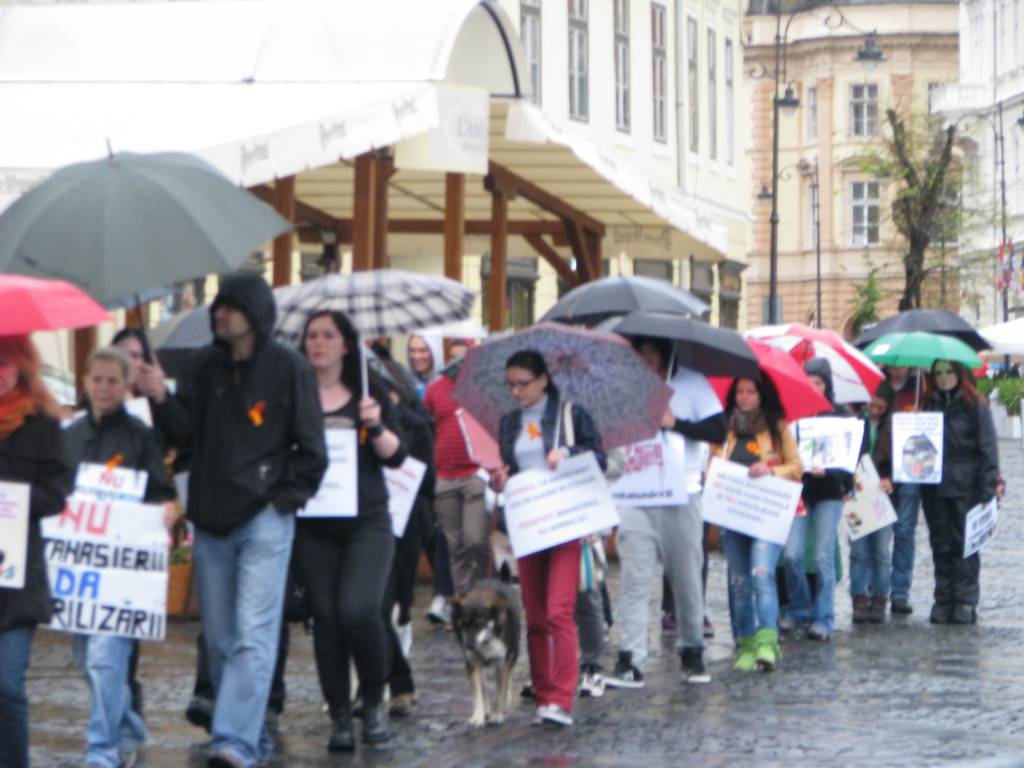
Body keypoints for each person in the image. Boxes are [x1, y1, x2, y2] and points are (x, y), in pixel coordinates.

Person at [142, 272, 327, 768]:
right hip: (212, 520)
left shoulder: (290, 370)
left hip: (264, 521)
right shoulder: (203, 366)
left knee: (253, 632)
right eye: (217, 307)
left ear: (254, 314)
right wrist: (161, 398)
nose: (218, 314)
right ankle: (248, 736)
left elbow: (312, 451)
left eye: (229, 307)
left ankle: (236, 742)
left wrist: (280, 501)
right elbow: (185, 434)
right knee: (221, 638)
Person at [296, 310, 407, 750]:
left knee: (359, 609)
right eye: (312, 336)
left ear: (346, 345)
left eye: (328, 335)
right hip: (314, 523)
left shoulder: (367, 390)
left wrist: (374, 424)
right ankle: (340, 713)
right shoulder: (296, 393)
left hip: (367, 520)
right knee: (325, 616)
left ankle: (375, 699)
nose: (318, 343)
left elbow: (396, 455)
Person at [64, 347, 177, 768]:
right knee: (85, 658)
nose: (104, 387)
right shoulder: (69, 436)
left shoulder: (141, 437)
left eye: (113, 380)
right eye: (97, 379)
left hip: (121, 572)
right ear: (86, 382)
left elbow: (159, 493)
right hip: (79, 572)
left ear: (126, 384)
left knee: (104, 657)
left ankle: (102, 750)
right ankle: (128, 727)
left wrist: (166, 511)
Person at [491, 350, 606, 728]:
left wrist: (569, 452)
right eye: (510, 385)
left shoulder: (570, 415)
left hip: (564, 520)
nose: (516, 392)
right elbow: (509, 466)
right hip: (527, 521)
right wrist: (501, 479)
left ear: (543, 380)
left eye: (523, 383)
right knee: (536, 615)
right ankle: (543, 693)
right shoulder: (509, 422)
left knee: (559, 610)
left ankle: (561, 698)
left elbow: (599, 459)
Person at [607, 338, 726, 689]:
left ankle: (692, 650)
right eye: (637, 355)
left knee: (687, 575)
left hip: (682, 493)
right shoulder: (623, 387)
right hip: (635, 492)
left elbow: (717, 430)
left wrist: (675, 422)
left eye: (650, 355)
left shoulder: (691, 383)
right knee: (634, 578)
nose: (645, 362)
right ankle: (630, 657)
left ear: (664, 353)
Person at [0, 335, 72, 768]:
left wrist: (14, 501)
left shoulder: (42, 424)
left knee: (7, 685)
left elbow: (58, 494)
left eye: (6, 361)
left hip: (18, 580)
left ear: (23, 365)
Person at [711, 376, 802, 672]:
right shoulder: (725, 428)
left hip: (766, 514)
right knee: (739, 582)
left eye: (750, 391)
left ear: (761, 395)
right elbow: (712, 463)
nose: (745, 397)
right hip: (733, 513)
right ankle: (747, 644)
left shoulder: (777, 428)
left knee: (762, 574)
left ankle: (767, 641)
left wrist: (771, 470)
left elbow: (796, 467)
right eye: (740, 391)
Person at [920, 360, 999, 625]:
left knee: (966, 545)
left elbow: (988, 447)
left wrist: (988, 490)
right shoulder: (927, 404)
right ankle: (943, 598)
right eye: (938, 373)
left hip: (967, 485)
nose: (943, 378)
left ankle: (965, 600)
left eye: (948, 372)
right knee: (940, 543)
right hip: (934, 486)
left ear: (959, 374)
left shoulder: (974, 404)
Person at [782, 358, 854, 641]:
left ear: (827, 385)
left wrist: (830, 470)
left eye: (819, 382)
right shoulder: (795, 413)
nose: (814, 387)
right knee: (792, 555)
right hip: (800, 490)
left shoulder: (841, 415)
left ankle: (823, 617)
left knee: (823, 556)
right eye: (809, 381)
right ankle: (800, 607)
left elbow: (851, 458)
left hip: (829, 492)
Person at [423, 348, 487, 598]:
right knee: (455, 546)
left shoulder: (480, 389)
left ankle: (482, 591)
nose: (460, 363)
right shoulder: (435, 389)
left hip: (474, 475)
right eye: (456, 358)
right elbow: (426, 424)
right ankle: (465, 601)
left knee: (475, 540)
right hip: (445, 477)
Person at [849, 381, 896, 624]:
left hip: (882, 496)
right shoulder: (856, 423)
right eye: (871, 405)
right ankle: (859, 596)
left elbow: (903, 460)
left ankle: (879, 597)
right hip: (857, 493)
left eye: (880, 406)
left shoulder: (895, 428)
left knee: (880, 550)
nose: (874, 410)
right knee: (858, 551)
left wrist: (893, 479)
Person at [883, 365, 921, 615]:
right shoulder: (877, 387)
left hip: (910, 468)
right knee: (875, 535)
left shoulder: (920, 389)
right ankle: (873, 591)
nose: (898, 368)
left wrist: (921, 418)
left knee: (905, 532)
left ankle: (899, 592)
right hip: (880, 469)